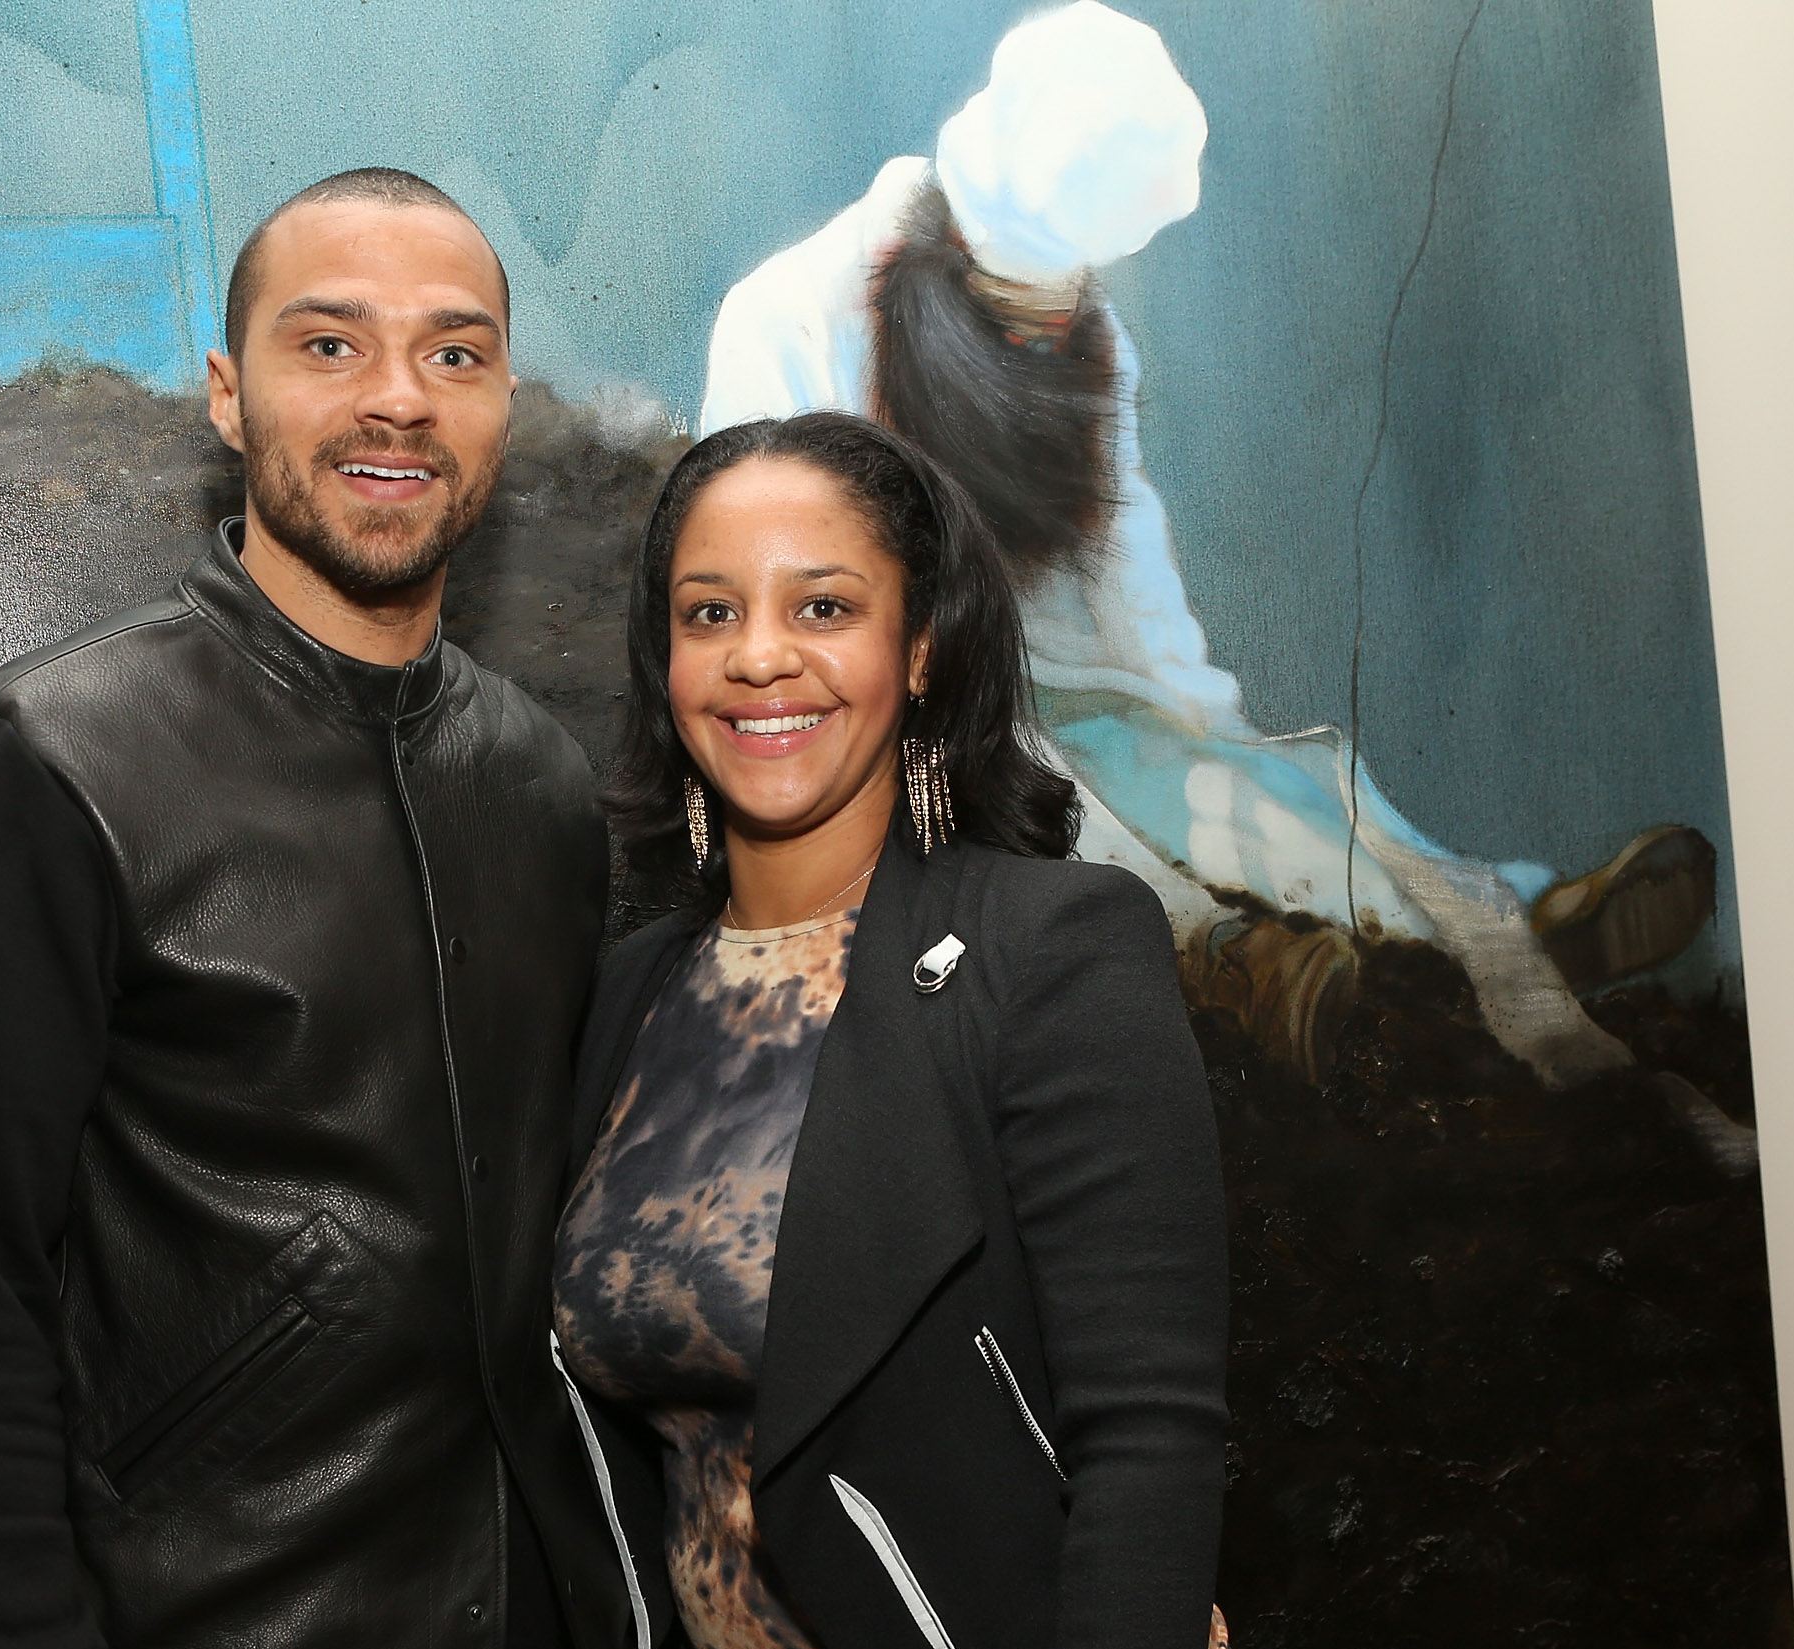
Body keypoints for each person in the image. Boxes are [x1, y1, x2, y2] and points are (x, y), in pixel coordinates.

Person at [0, 168, 658, 1649]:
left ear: (502, 404)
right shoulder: (44, 759)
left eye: (453, 354)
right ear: (229, 395)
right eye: (331, 345)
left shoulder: (544, 788)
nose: (398, 398)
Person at [698, 1, 1734, 1116]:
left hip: (1057, 683)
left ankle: (1503, 923)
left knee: (1262, 787)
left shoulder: (1086, 339)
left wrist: (1204, 725)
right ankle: (1251, 968)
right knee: (1055, 805)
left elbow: (1120, 550)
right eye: (1021, 315)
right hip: (892, 703)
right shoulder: (793, 318)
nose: (1045, 333)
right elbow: (773, 581)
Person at [552, 410, 1229, 1649]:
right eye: (709, 611)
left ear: (921, 651)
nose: (759, 656)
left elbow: (1153, 1449)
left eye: (825, 605)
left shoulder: (1049, 951)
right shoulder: (632, 994)